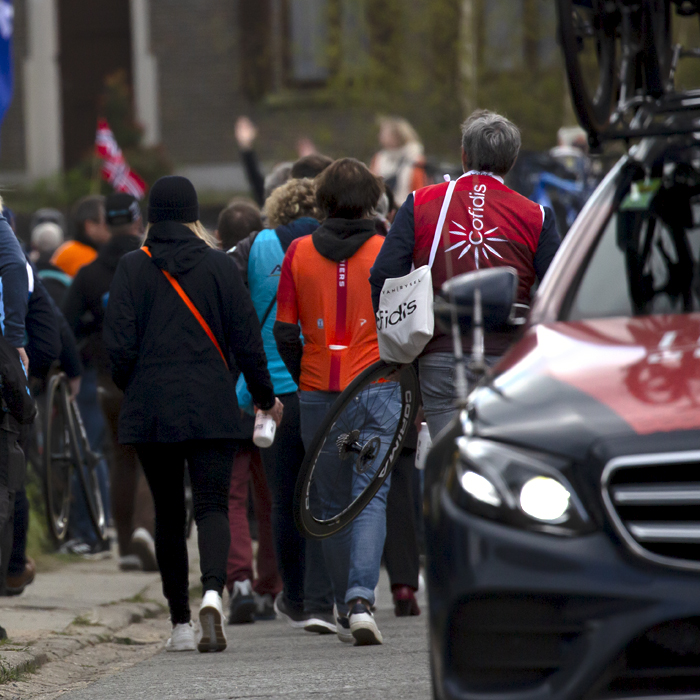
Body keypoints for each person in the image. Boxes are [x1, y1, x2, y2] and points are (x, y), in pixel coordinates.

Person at [104, 176, 282, 653]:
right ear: (193, 215)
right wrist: (264, 397)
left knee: (167, 511)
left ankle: (180, 623)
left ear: (150, 216)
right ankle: (211, 592)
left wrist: (136, 386)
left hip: (152, 407)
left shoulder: (130, 268)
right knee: (212, 505)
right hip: (212, 405)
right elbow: (247, 341)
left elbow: (116, 347)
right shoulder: (219, 267)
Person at [370, 110, 561, 439]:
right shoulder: (537, 216)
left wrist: (400, 347)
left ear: (463, 155)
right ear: (512, 160)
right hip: (510, 362)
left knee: (451, 464)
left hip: (441, 355)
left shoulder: (420, 203)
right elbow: (559, 294)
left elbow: (383, 276)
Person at [274, 159, 393, 646]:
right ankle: (362, 600)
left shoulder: (298, 252)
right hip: (376, 389)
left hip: (319, 389)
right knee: (370, 494)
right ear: (372, 199)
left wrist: (307, 368)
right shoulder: (387, 251)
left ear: (321, 201)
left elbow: (284, 330)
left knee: (326, 500)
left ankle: (345, 602)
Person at [233, 177, 336, 634]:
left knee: (281, 500)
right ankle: (323, 594)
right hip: (323, 383)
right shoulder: (331, 244)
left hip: (270, 392)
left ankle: (292, 596)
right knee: (323, 496)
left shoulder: (254, 247)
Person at [64, 193, 157, 571]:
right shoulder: (152, 263)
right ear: (137, 222)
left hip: (108, 379)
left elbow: (65, 326)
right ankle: (146, 530)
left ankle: (125, 547)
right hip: (151, 376)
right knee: (155, 456)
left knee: (122, 459)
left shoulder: (89, 273)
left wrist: (86, 345)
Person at [370, 116, 428, 207]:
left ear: (397, 136)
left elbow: (420, 189)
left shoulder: (415, 159)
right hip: (382, 208)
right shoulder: (379, 158)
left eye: (384, 133)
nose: (379, 136)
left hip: (407, 208)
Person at [51, 196, 111, 278]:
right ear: (89, 226)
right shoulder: (85, 257)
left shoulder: (70, 248)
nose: (112, 226)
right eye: (107, 221)